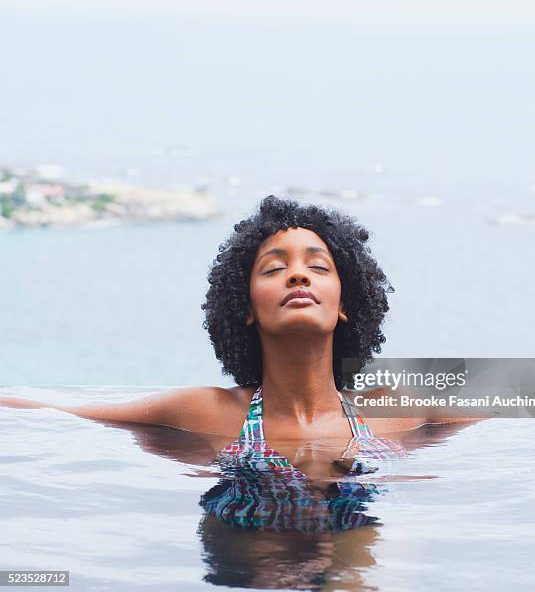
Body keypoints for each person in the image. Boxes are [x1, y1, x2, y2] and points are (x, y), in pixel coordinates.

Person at [0, 195, 479, 473]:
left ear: (346, 305)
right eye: (275, 268)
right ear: (246, 308)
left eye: (317, 266)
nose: (298, 276)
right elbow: (65, 412)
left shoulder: (394, 406)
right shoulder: (206, 411)